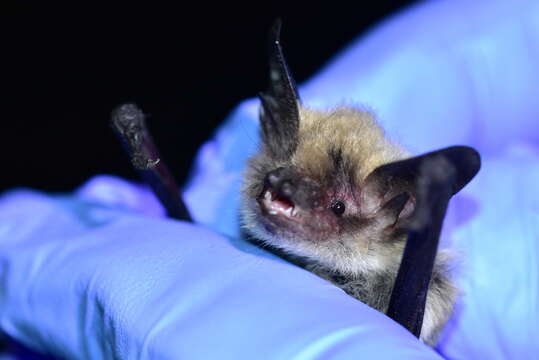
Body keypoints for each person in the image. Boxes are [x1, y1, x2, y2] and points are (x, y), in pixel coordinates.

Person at [1, 0, 538, 358]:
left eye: (336, 206)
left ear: (396, 215)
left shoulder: (402, 274)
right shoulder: (253, 192)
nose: (285, 191)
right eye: (283, 171)